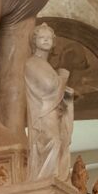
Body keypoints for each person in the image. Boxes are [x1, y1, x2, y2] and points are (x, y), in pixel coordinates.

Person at [25, 23, 74, 181]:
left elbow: (54, 86)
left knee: (59, 141)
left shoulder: (46, 65)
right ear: (35, 41)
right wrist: (63, 77)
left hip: (53, 111)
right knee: (51, 140)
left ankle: (54, 177)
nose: (45, 41)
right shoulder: (32, 63)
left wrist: (63, 88)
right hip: (42, 111)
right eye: (41, 38)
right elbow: (49, 85)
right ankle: (45, 178)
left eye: (48, 38)